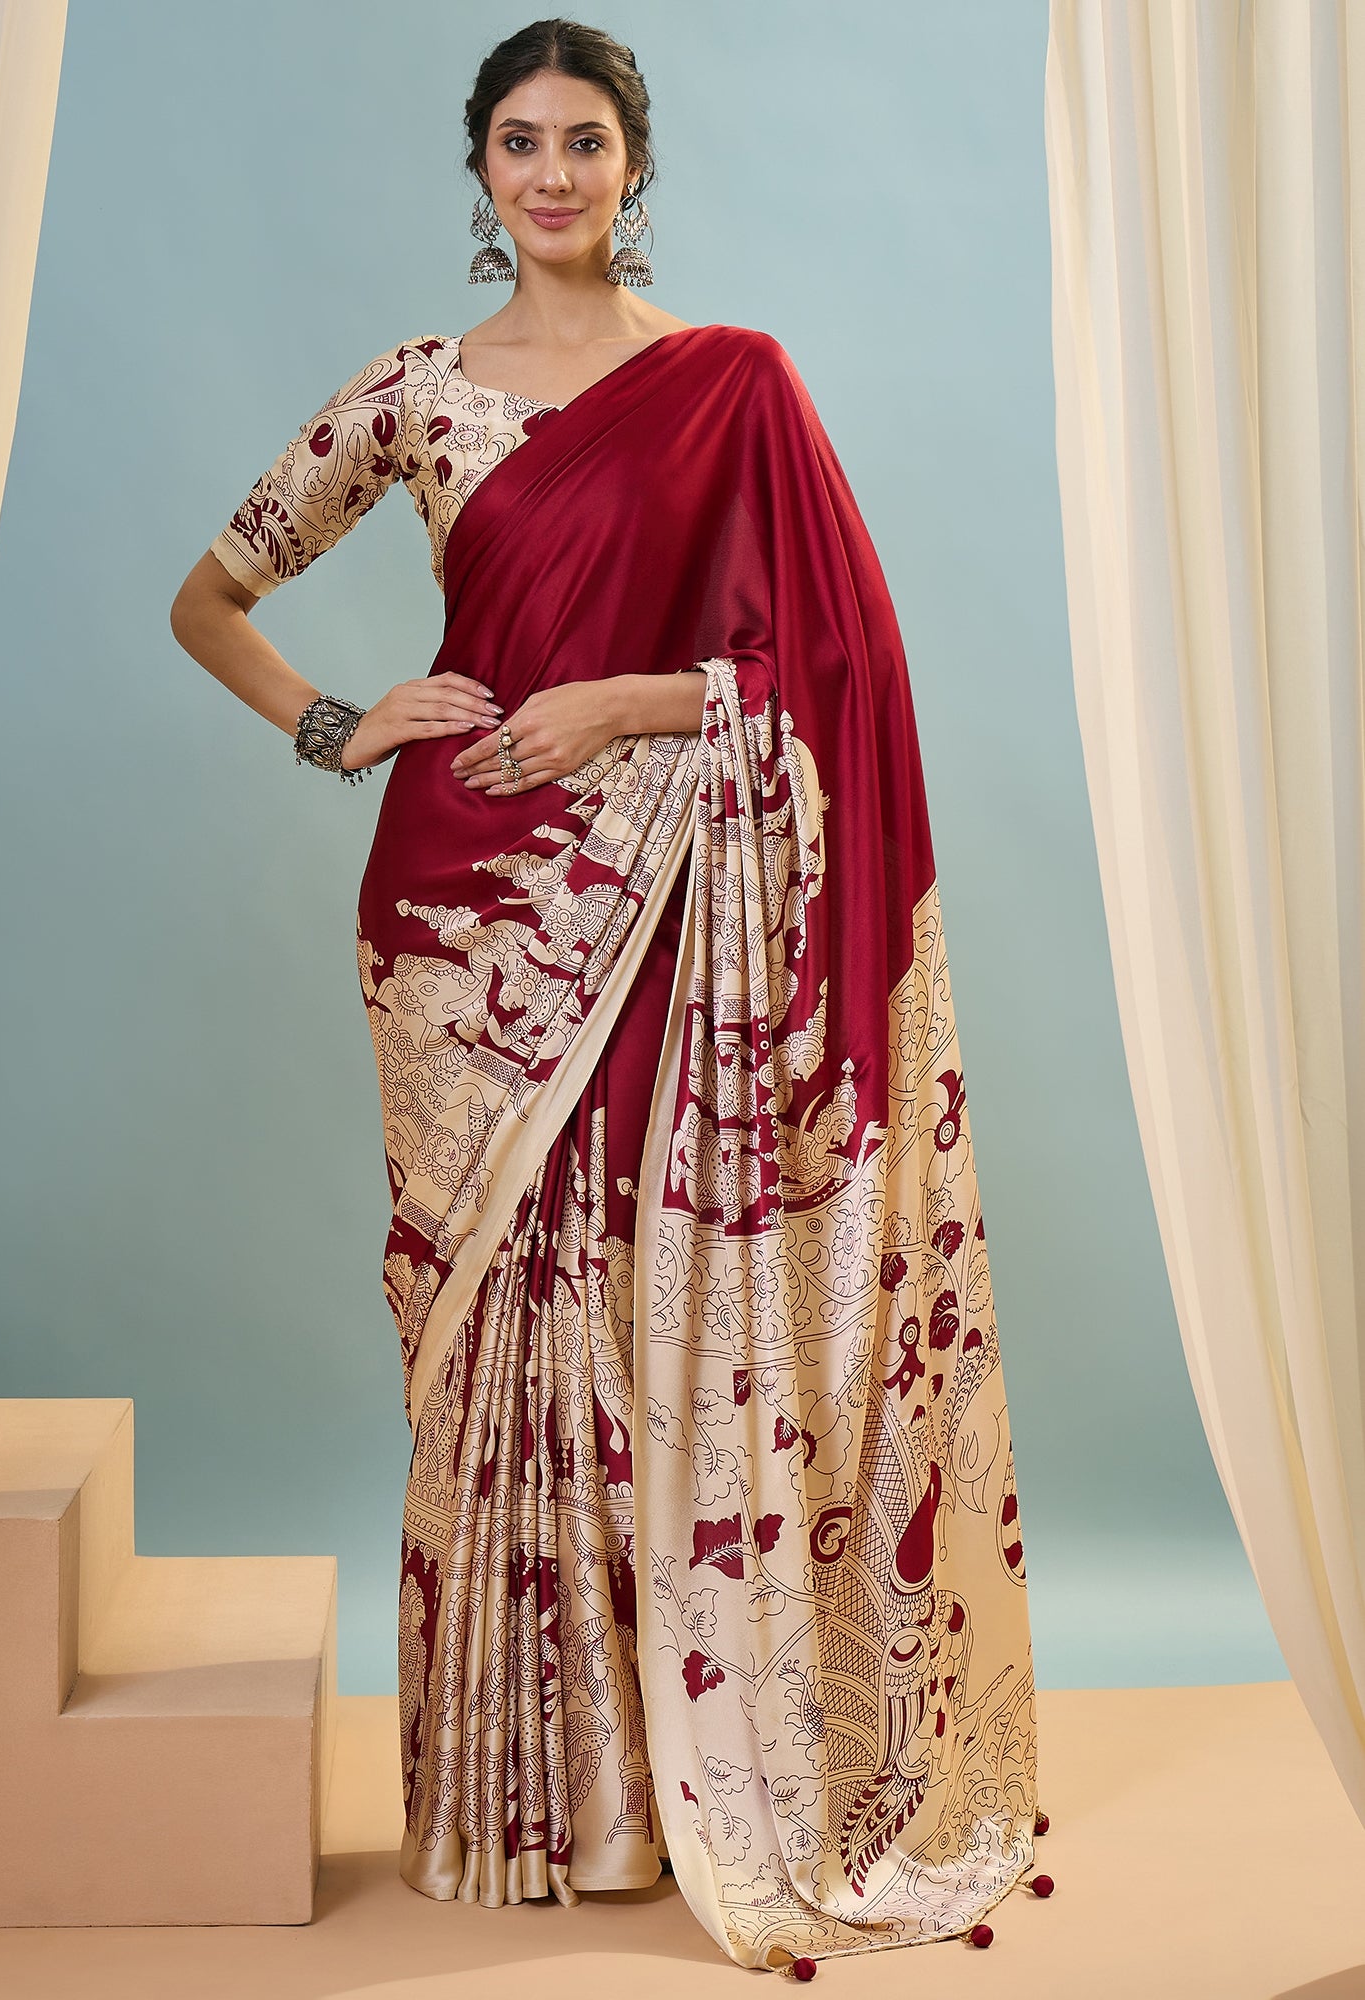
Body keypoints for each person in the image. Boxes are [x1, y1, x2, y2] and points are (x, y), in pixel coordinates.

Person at [169, 16, 1041, 1977]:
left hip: (668, 906)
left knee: (652, 1324)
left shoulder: (730, 383)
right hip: (458, 930)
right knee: (489, 1341)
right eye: (518, 142)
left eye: (583, 141)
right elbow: (209, 596)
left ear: (633, 164)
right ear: (479, 170)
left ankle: (662, 1788)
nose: (551, 173)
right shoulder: (415, 392)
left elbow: (840, 663)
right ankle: (503, 1803)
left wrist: (636, 703)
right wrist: (336, 720)